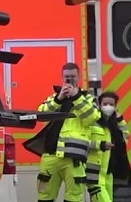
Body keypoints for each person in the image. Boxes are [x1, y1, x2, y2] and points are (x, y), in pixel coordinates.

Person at [30, 63, 99, 202]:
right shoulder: (55, 97)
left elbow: (92, 117)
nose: (69, 80)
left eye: (73, 77)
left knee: (74, 196)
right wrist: (58, 99)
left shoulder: (88, 98)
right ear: (62, 77)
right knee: (45, 195)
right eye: (67, 77)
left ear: (79, 77)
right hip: (51, 154)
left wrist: (76, 97)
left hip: (73, 156)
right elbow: (41, 114)